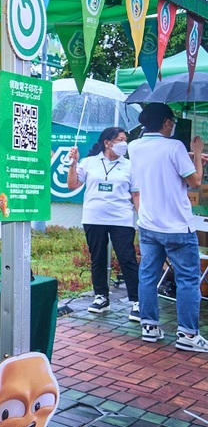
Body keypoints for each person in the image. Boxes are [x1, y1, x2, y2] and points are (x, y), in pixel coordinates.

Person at [127, 102, 208, 352]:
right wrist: (196, 153)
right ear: (165, 122)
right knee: (188, 280)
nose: (173, 124)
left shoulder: (134, 146)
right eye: (171, 120)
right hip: (177, 228)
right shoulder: (175, 146)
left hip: (149, 225)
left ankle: (149, 326)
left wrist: (191, 157)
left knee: (148, 276)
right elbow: (194, 181)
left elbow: (162, 167)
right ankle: (188, 334)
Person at [67, 127, 140, 320]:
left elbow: (136, 193)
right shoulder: (89, 162)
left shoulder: (130, 165)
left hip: (121, 219)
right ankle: (101, 297)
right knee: (97, 258)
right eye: (121, 140)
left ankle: (137, 301)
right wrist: (73, 164)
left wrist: (142, 218)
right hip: (94, 218)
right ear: (108, 143)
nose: (124, 143)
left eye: (125, 139)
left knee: (127, 258)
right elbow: (73, 185)